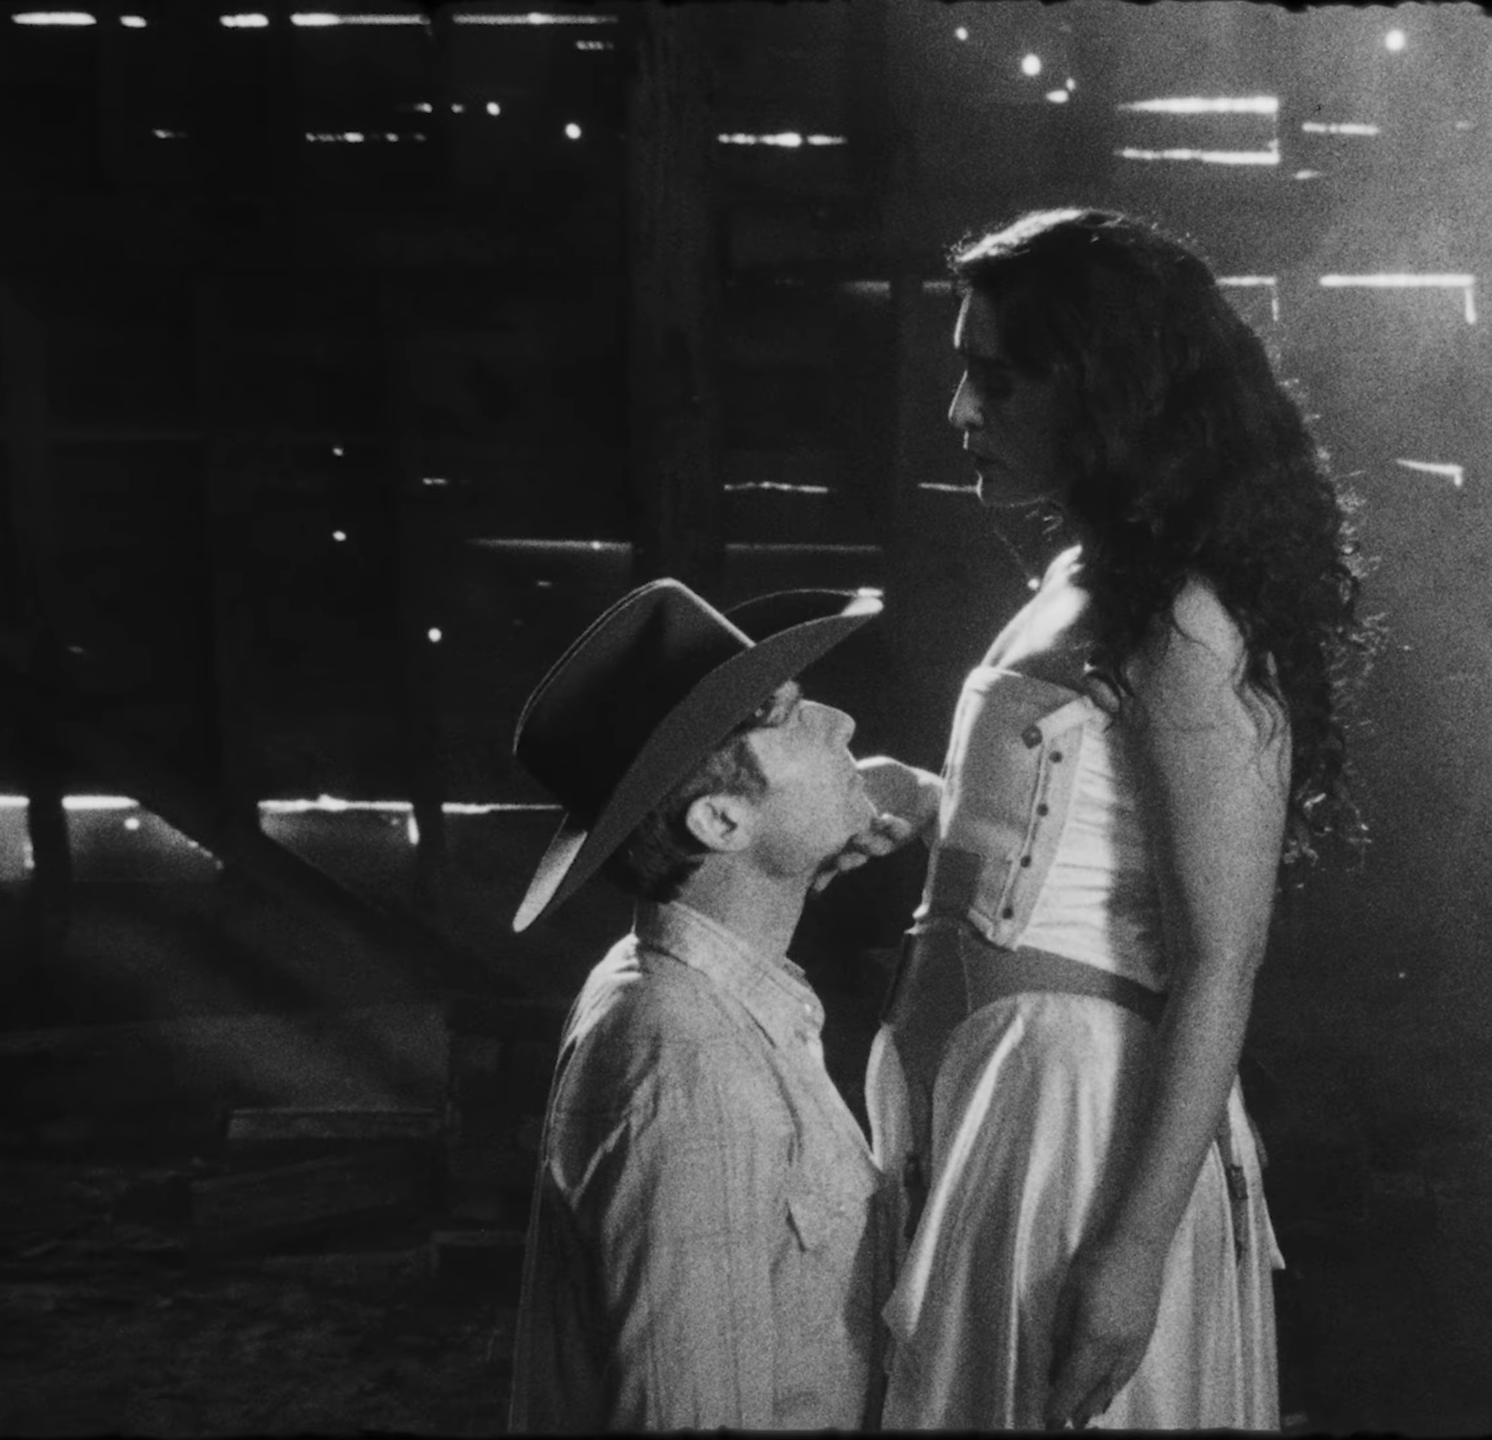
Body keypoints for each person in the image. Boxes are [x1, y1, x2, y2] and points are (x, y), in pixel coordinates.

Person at [865, 208, 1371, 1429]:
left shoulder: (1186, 617)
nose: (960, 410)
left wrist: (1132, 1250)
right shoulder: (1081, 577)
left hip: (1082, 1120)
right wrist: (930, 804)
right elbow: (1080, 837)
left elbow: (1220, 958)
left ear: (1098, 387)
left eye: (995, 377)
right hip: (1000, 1103)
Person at [503, 579, 936, 1432]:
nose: (843, 723)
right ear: (722, 822)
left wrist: (909, 799)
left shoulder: (711, 997)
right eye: (790, 715)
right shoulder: (687, 1058)